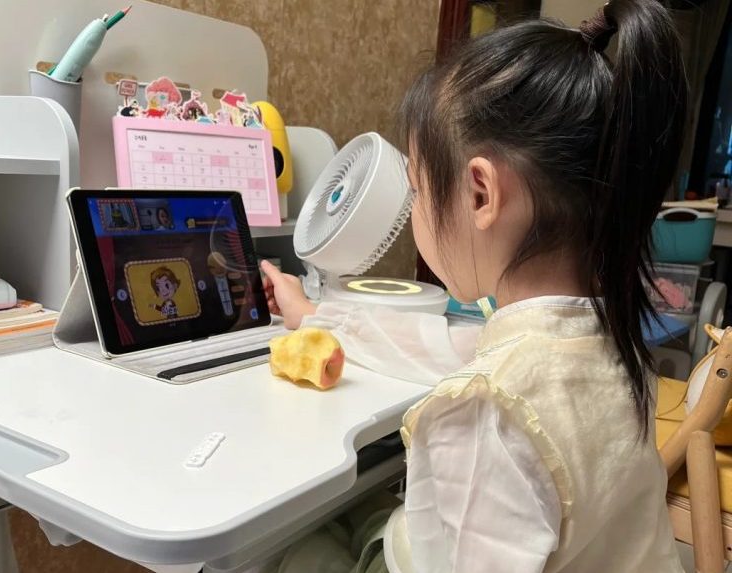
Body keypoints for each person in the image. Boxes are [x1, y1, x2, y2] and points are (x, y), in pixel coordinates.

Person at [260, 1, 687, 571]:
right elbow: (442, 345)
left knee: (291, 549)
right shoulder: (612, 340)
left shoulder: (487, 416)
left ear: (481, 194)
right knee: (362, 516)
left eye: (417, 189)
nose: (415, 211)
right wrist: (313, 317)